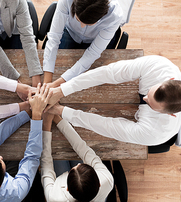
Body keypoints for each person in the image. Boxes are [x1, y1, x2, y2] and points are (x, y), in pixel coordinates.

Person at [46, 55, 181, 146]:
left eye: (150, 104)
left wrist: (62, 111)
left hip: (148, 131)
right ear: (169, 79)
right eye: (149, 92)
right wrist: (62, 90)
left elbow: (107, 126)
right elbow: (109, 73)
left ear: (170, 114)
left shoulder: (156, 133)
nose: (145, 98)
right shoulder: (160, 66)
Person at [43, 0, 123, 85]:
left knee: (90, 78)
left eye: (89, 24)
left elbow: (93, 53)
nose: (82, 26)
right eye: (77, 19)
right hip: (70, 32)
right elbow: (54, 38)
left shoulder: (114, 15)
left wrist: (57, 84)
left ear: (102, 16)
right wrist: (46, 83)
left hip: (95, 39)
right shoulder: (66, 1)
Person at [41, 114, 114, 201]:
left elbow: (46, 166)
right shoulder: (106, 179)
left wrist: (46, 125)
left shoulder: (54, 197)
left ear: (67, 188)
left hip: (62, 187)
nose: (79, 163)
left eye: (75, 167)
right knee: (74, 153)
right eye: (81, 165)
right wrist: (58, 119)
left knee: (57, 154)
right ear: (99, 183)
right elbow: (84, 150)